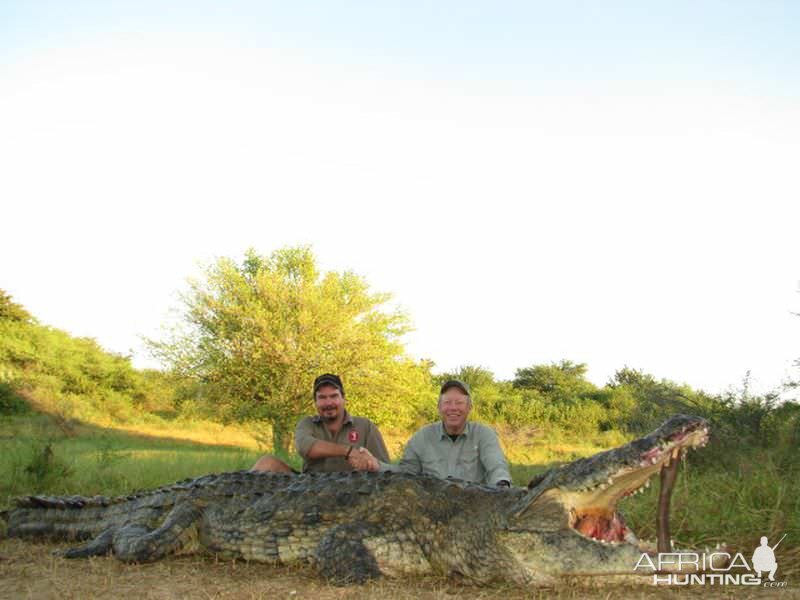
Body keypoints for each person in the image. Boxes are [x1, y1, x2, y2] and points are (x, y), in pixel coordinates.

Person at [251, 373, 391, 473]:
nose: (328, 403)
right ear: (316, 402)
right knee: (267, 462)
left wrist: (371, 464)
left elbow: (385, 467)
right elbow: (305, 447)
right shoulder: (307, 423)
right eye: (322, 397)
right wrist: (349, 452)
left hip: (353, 490)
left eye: (334, 396)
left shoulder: (365, 426)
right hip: (309, 489)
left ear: (343, 399)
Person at [398, 379, 512, 487]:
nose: (453, 408)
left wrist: (502, 485)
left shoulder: (484, 434)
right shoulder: (422, 436)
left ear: (469, 408)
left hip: (474, 503)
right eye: (447, 402)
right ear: (439, 407)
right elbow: (405, 472)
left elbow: (497, 467)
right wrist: (381, 467)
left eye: (459, 403)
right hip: (433, 504)